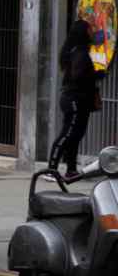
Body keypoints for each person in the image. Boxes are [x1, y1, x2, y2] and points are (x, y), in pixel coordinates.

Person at [48, 19, 105, 179]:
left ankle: (71, 169)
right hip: (74, 99)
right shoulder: (79, 52)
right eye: (90, 29)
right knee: (67, 134)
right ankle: (51, 170)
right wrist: (96, 74)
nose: (93, 32)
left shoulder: (78, 51)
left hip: (79, 99)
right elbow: (78, 76)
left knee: (76, 135)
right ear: (83, 32)